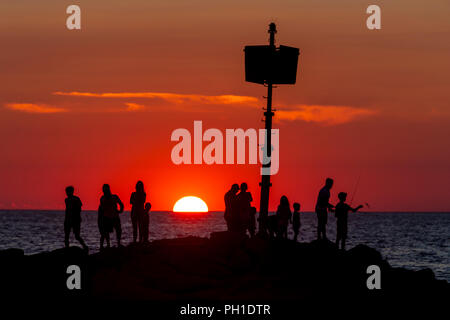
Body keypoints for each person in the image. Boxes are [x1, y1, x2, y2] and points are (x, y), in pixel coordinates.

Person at [98, 184, 124, 249]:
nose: (105, 191)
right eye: (104, 190)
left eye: (106, 189)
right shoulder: (102, 198)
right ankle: (108, 245)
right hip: (106, 217)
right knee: (106, 233)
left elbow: (121, 204)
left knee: (118, 230)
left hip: (115, 217)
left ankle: (118, 243)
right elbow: (101, 209)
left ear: (109, 189)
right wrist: (100, 219)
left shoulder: (114, 197)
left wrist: (120, 211)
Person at [64, 186, 88, 251]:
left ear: (72, 192)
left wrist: (77, 217)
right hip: (68, 220)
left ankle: (85, 246)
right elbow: (67, 210)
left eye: (68, 191)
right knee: (66, 236)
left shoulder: (76, 199)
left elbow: (79, 208)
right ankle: (67, 249)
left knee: (77, 236)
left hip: (75, 220)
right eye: (66, 192)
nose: (67, 193)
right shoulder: (66, 200)